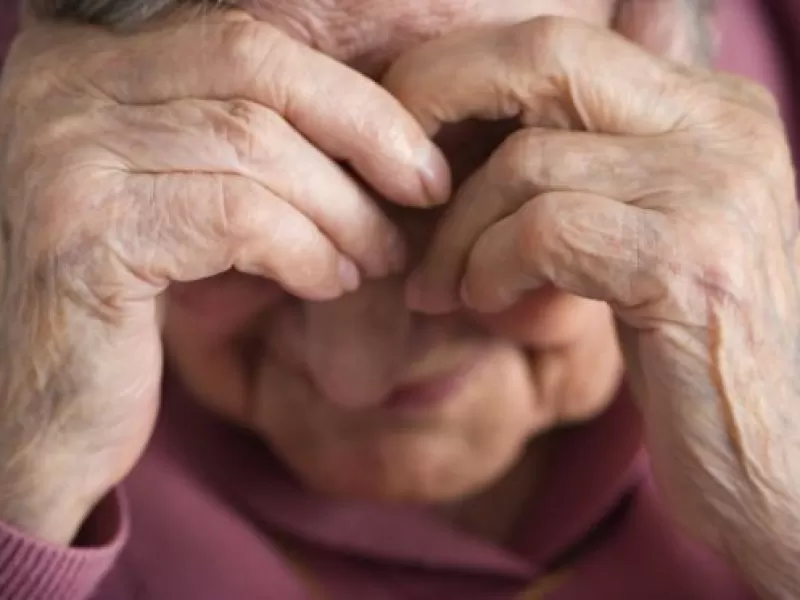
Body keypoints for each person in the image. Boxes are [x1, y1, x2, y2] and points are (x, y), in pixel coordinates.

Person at [0, 0, 798, 598]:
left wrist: (780, 507)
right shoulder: (50, 165)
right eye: (229, 189)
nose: (360, 376)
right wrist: (26, 485)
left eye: (499, 171)